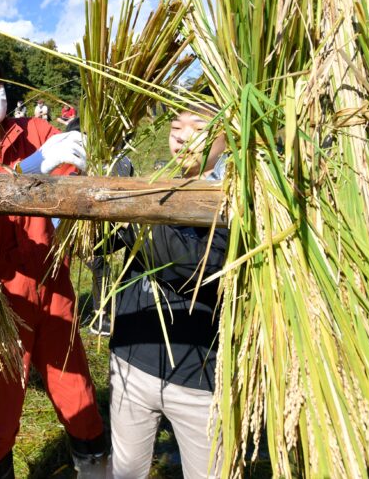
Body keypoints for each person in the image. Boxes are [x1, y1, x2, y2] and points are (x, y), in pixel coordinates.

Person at [0, 53, 107, 478]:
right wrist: (29, 168)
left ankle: (94, 465)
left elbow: (70, 169)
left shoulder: (34, 129)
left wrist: (75, 175)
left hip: (51, 283)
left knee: (73, 384)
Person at [109, 102, 227, 479]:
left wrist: (128, 202)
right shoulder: (154, 184)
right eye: (176, 125)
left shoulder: (235, 199)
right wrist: (104, 195)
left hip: (198, 378)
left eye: (197, 125)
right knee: (126, 469)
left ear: (229, 138)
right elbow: (100, 245)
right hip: (131, 361)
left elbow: (195, 264)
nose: (181, 133)